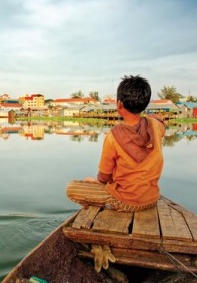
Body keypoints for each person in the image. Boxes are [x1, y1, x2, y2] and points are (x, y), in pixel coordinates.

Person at [66, 75, 166, 212]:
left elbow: (104, 177)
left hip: (125, 201)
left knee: (72, 187)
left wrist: (96, 183)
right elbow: (160, 120)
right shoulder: (155, 126)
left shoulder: (113, 136)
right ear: (145, 104)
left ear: (119, 104)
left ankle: (106, 205)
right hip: (151, 199)